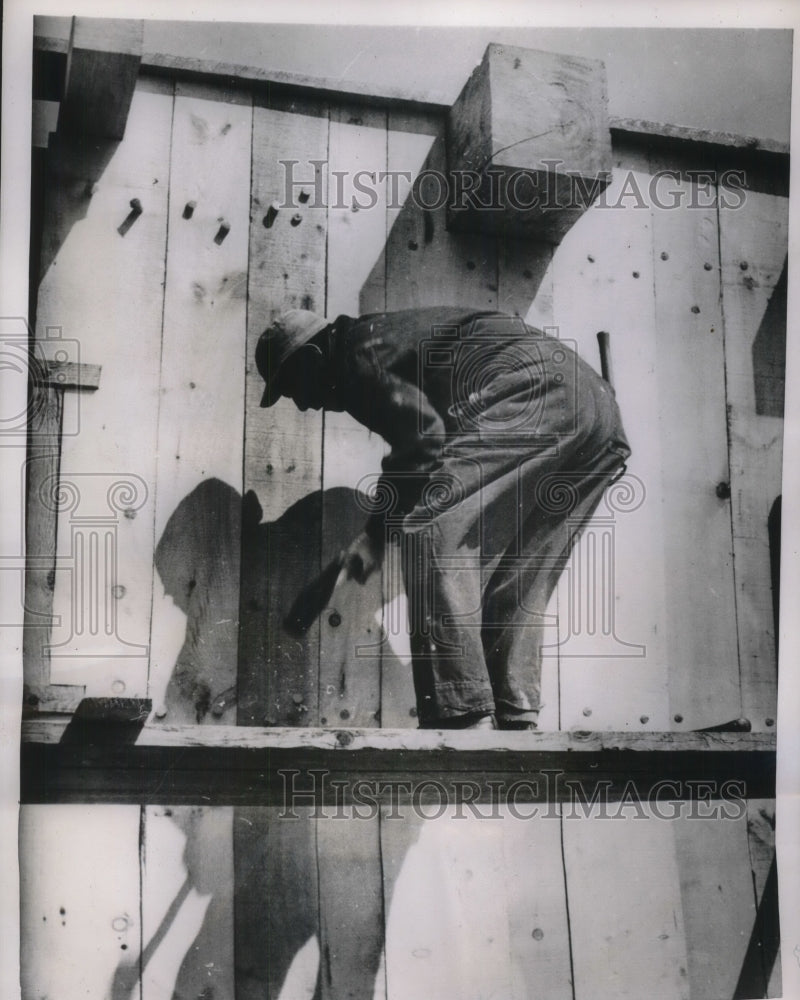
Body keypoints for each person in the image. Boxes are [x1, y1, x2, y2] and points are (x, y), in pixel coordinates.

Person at [257, 307, 630, 731]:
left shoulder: (355, 355)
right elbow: (428, 448)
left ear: (311, 357)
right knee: (516, 565)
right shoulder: (385, 340)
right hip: (597, 412)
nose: (303, 404)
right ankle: (513, 711)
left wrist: (378, 536)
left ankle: (463, 714)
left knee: (428, 527)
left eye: (291, 388)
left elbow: (424, 439)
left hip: (537, 392)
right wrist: (379, 531)